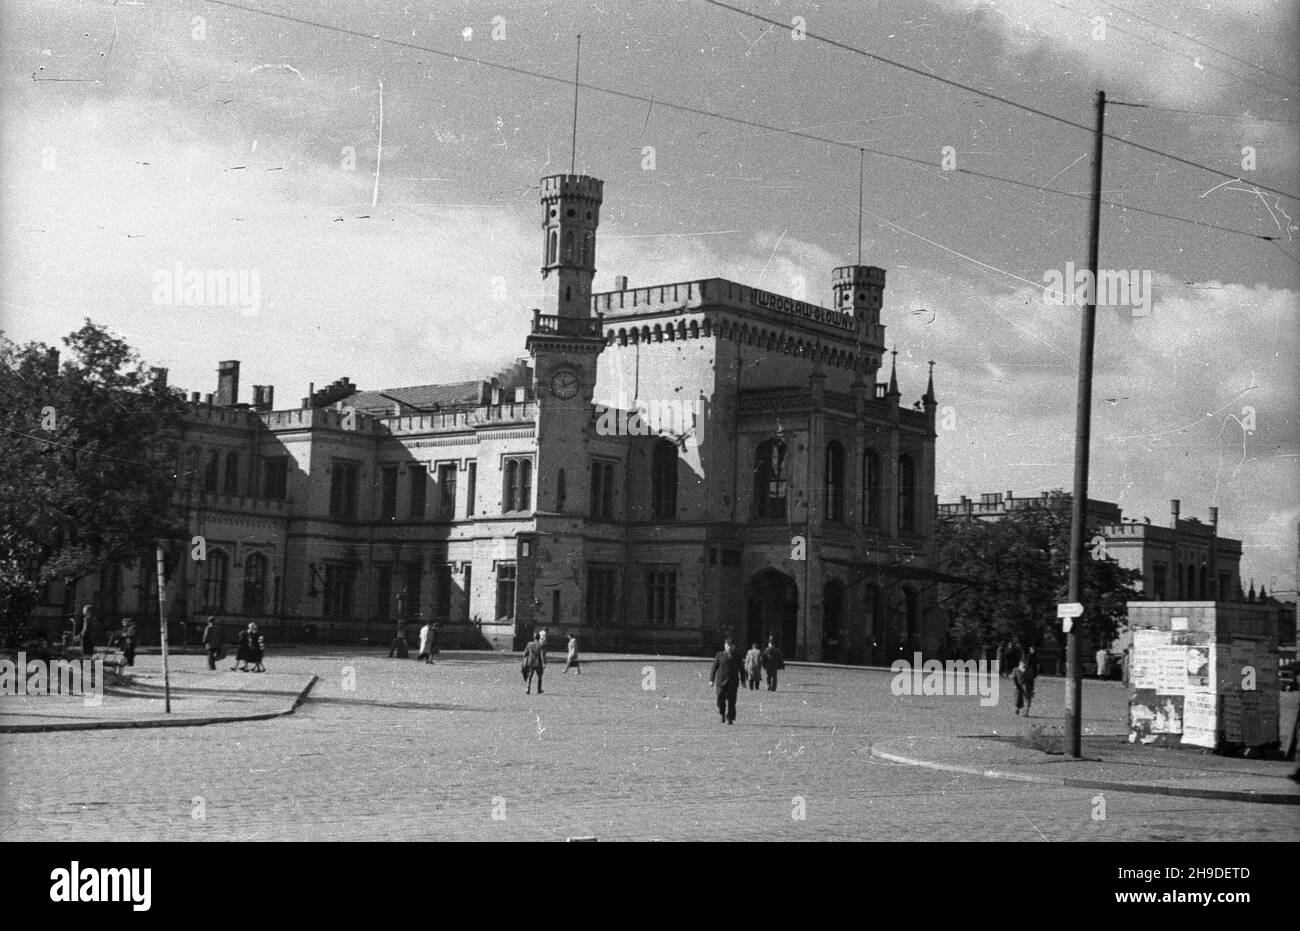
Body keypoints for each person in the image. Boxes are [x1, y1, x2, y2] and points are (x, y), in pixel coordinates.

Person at [709, 637, 744, 724]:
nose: (729, 647)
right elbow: (714, 668)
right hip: (721, 682)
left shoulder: (737, 656)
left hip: (733, 682)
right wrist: (711, 680)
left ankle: (730, 718)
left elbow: (741, 669)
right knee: (720, 699)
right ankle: (722, 713)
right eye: (727, 645)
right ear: (725, 646)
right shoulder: (719, 655)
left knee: (732, 701)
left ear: (734, 647)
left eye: (731, 646)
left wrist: (743, 680)